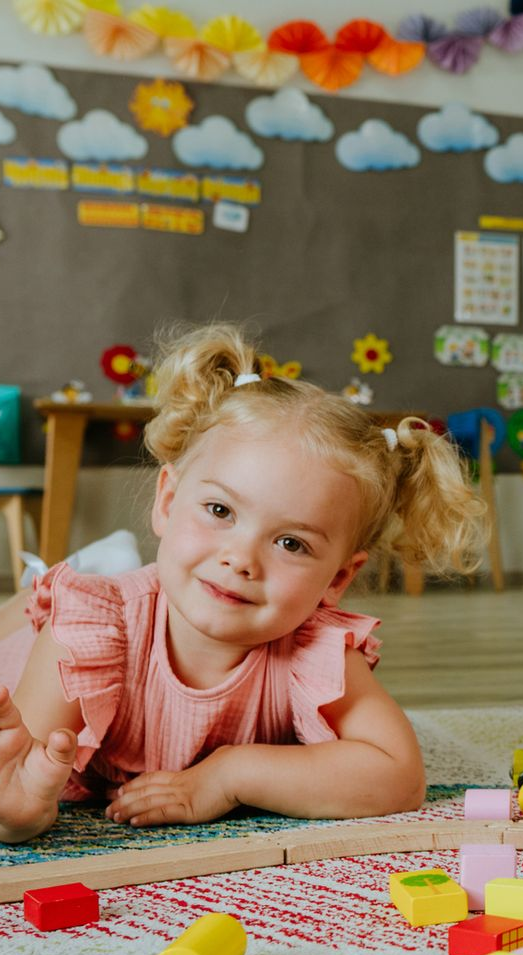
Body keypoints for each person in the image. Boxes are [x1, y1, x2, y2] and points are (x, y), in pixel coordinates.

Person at [0, 323, 487, 844]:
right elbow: (19, 789)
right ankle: (65, 576)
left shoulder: (311, 651)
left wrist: (231, 774)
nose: (241, 559)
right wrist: (21, 812)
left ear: (338, 578)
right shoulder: (87, 633)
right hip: (37, 639)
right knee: (29, 609)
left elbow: (399, 776)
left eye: (291, 544)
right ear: (167, 502)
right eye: (219, 510)